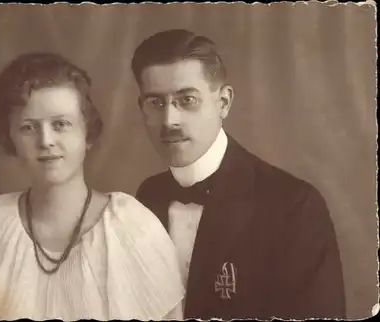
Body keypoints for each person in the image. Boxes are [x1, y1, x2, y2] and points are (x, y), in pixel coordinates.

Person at [0, 52, 184, 320]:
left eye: (61, 124)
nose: (46, 140)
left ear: (87, 134)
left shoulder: (133, 227)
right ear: (9, 138)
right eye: (28, 128)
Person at [132, 29, 346, 320]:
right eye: (156, 103)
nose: (170, 120)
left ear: (224, 103)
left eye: (187, 100)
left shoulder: (294, 206)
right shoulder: (146, 197)